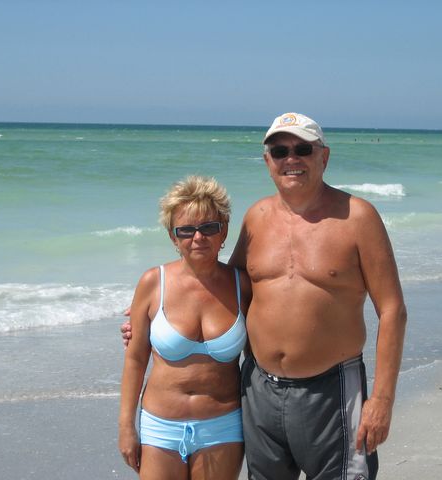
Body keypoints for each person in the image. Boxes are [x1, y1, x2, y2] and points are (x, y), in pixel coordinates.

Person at [124, 113, 407, 480]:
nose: (291, 159)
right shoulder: (257, 217)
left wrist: (382, 399)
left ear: (324, 156)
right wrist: (150, 316)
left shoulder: (358, 218)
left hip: (332, 388)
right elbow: (220, 286)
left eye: (303, 149)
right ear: (267, 161)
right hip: (259, 391)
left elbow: (392, 309)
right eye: (279, 151)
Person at [118, 176, 251, 479]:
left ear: (224, 231)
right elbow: (135, 359)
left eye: (209, 227)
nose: (198, 237)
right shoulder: (153, 283)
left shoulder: (242, 286)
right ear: (173, 237)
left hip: (223, 427)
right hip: (160, 427)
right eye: (186, 230)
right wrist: (126, 426)